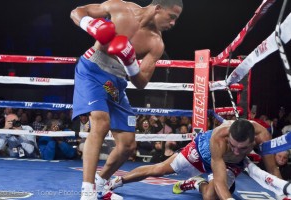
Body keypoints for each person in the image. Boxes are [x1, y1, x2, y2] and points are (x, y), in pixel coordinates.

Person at [70, 0, 183, 199]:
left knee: (127, 145)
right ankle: (87, 192)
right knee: (100, 120)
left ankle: (100, 184)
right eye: (171, 17)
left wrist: (130, 62)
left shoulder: (156, 43)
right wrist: (90, 24)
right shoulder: (120, 8)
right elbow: (77, 11)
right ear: (157, 8)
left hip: (117, 82)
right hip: (92, 70)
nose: (173, 24)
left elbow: (141, 82)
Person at [108, 119, 282, 199]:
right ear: (229, 136)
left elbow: (273, 170)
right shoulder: (220, 136)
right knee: (159, 169)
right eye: (233, 145)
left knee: (210, 196)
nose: (237, 151)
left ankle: (195, 183)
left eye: (243, 148)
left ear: (253, 141)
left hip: (230, 164)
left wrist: (283, 194)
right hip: (203, 150)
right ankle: (118, 181)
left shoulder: (263, 136)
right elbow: (220, 180)